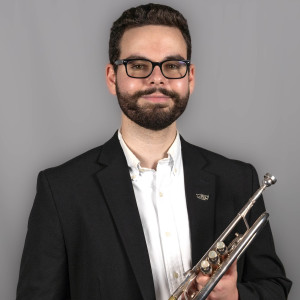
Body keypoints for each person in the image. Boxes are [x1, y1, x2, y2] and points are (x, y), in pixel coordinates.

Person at [16, 3, 292, 300]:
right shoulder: (62, 190)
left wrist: (236, 298)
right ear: (112, 77)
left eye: (172, 66)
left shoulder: (238, 179)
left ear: (190, 77)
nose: (157, 78)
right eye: (138, 66)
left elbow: (274, 286)